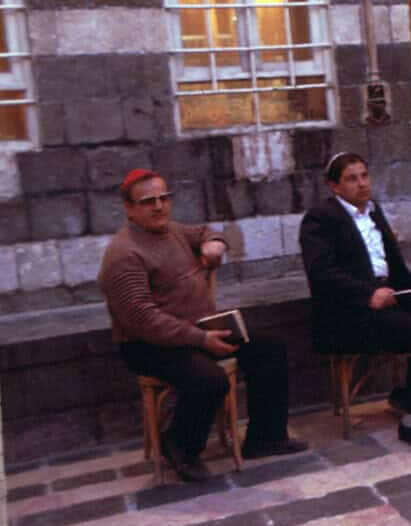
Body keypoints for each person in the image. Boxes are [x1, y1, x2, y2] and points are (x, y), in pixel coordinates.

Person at [98, 169, 308, 483]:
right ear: (129, 208)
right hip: (148, 345)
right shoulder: (124, 254)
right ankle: (179, 446)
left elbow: (207, 232)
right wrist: (200, 339)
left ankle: (265, 437)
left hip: (198, 331)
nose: (159, 207)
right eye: (147, 202)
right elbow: (144, 320)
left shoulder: (172, 231)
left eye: (163, 198)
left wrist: (214, 244)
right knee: (209, 380)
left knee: (269, 349)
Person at [299, 152, 411, 450]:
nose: (362, 184)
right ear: (334, 186)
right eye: (352, 178)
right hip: (350, 313)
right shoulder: (320, 218)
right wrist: (367, 295)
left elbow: (392, 262)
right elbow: (321, 273)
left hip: (391, 296)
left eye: (364, 176)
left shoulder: (373, 210)